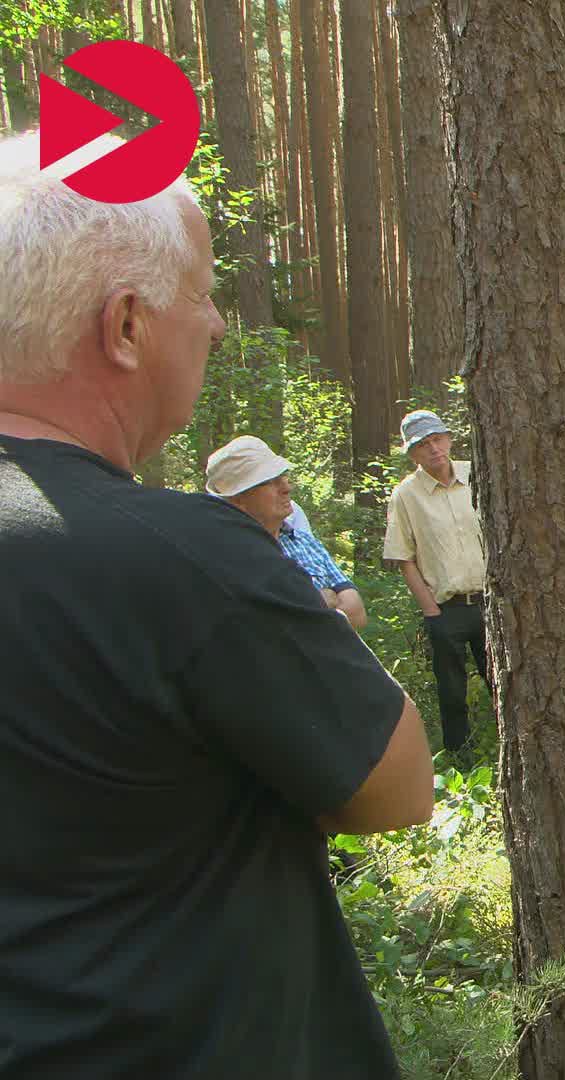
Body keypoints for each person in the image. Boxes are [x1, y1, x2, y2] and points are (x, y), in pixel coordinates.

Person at [0, 130, 431, 1077]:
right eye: (200, 295)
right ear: (125, 327)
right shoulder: (182, 558)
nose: (219, 325)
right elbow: (395, 783)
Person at [383, 408, 489, 763]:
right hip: (447, 608)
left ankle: (510, 748)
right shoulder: (406, 495)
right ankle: (461, 759)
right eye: (424, 445)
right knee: (452, 691)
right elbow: (403, 557)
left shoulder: (477, 475)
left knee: (505, 682)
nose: (434, 449)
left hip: (491, 603)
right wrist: (431, 610)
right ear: (412, 453)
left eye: (437, 439)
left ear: (449, 439)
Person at [206, 434, 369, 630]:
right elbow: (261, 629)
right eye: (270, 481)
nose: (286, 488)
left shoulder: (303, 541)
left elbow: (357, 615)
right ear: (239, 497)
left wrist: (303, 606)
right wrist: (324, 599)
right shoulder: (223, 554)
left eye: (283, 477)